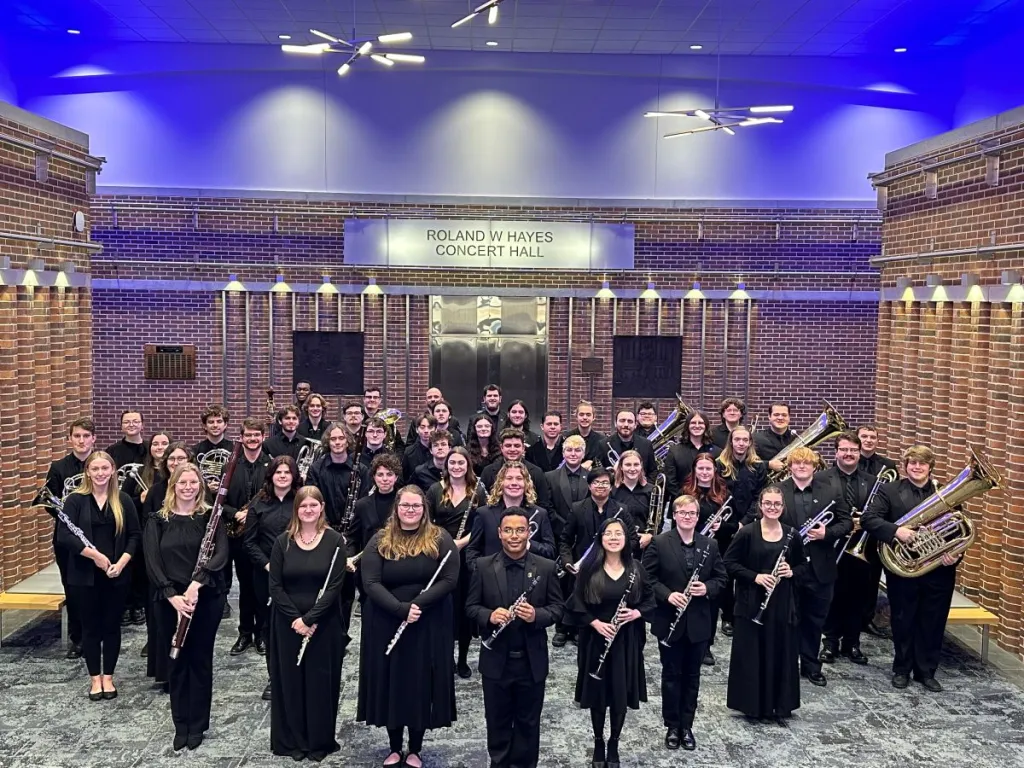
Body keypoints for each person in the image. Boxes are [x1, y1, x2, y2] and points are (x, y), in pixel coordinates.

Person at [357, 486, 459, 768]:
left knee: (419, 682)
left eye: (416, 506)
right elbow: (370, 583)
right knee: (392, 681)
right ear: (397, 508)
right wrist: (400, 609)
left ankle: (415, 748)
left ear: (424, 509)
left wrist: (418, 605)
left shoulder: (440, 538)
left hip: (429, 621)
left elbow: (449, 579)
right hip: (386, 619)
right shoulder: (380, 538)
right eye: (405, 506)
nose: (410, 511)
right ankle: (393, 746)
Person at [466, 507, 564, 768]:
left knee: (528, 725)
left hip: (531, 663)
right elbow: (471, 607)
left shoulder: (545, 567)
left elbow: (558, 608)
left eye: (520, 530)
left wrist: (536, 615)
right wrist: (489, 616)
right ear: (499, 533)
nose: (514, 535)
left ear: (528, 532)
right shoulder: (484, 566)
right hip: (496, 662)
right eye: (508, 530)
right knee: (497, 722)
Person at [861, 445, 958, 693]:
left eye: (922, 463)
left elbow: (959, 528)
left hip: (938, 569)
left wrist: (955, 555)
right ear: (905, 466)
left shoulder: (945, 493)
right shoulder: (890, 490)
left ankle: (926, 671)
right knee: (904, 619)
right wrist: (897, 531)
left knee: (933, 621)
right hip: (903, 568)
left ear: (930, 466)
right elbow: (869, 519)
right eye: (912, 463)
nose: (917, 467)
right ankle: (902, 669)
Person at [144, 463, 228, 751]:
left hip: (204, 599)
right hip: (169, 602)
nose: (188, 487)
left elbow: (220, 556)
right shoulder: (157, 519)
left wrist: (195, 585)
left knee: (200, 662)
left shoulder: (210, 518)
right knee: (176, 664)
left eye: (194, 482)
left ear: (200, 486)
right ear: (173, 486)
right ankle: (181, 725)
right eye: (183, 482)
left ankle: (198, 726)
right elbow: (152, 561)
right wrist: (172, 595)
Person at [567, 517, 655, 768]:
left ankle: (614, 742)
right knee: (597, 694)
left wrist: (636, 614)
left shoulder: (637, 568)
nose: (614, 538)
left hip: (626, 640)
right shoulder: (589, 568)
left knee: (619, 693)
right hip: (596, 639)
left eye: (619, 533)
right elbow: (575, 604)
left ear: (627, 539)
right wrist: (595, 623)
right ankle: (598, 742)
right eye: (609, 533)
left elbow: (649, 601)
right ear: (601, 538)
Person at [642, 495, 727, 751]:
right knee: (670, 675)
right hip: (669, 620)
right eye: (682, 513)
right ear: (675, 515)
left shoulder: (710, 544)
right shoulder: (659, 543)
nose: (687, 517)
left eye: (692, 513)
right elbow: (647, 579)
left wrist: (707, 588)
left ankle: (686, 725)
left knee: (692, 677)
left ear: (697, 517)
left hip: (699, 623)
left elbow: (722, 579)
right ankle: (672, 725)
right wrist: (669, 595)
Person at [268, 486, 346, 762]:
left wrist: (311, 619)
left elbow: (336, 586)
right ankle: (293, 741)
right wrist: (297, 620)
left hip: (323, 624)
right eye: (303, 506)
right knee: (289, 681)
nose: (309, 510)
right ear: (296, 510)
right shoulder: (282, 542)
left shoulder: (336, 541)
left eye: (314, 505)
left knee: (320, 683)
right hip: (287, 623)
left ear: (322, 507)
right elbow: (275, 586)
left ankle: (318, 741)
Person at [764, 446, 851, 687]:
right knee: (786, 619)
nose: (802, 467)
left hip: (820, 569)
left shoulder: (831, 491)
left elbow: (846, 523)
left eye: (807, 463)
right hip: (788, 568)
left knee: (815, 621)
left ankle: (811, 665)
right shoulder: (777, 492)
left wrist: (827, 533)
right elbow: (763, 522)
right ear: (790, 466)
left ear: (815, 467)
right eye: (797, 463)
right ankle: (786, 666)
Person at [58, 450, 141, 701]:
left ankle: (109, 677)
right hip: (84, 576)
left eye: (105, 468)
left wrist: (122, 562)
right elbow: (64, 536)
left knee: (112, 628)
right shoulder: (75, 500)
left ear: (113, 470)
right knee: (91, 629)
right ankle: (95, 678)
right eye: (95, 469)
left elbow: (135, 535)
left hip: (116, 574)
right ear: (88, 472)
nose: (100, 473)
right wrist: (95, 556)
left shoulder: (124, 500)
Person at [724, 485, 807, 725]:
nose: (772, 507)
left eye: (777, 504)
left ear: (783, 507)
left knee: (780, 651)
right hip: (751, 602)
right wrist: (755, 577)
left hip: (781, 603)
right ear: (760, 506)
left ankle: (779, 705)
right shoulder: (747, 533)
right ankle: (752, 704)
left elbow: (803, 566)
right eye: (768, 503)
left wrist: (791, 571)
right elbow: (729, 563)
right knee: (752, 653)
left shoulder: (792, 534)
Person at [35, 416, 95, 658]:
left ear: (93, 439)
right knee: (73, 588)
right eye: (77, 436)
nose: (81, 440)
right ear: (70, 439)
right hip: (67, 538)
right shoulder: (58, 468)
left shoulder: (101, 464)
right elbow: (50, 503)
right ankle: (78, 639)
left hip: (97, 535)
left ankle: (96, 635)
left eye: (86, 436)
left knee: (97, 588)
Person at [245, 455, 301, 700]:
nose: (282, 476)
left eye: (287, 472)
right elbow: (249, 542)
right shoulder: (258, 503)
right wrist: (268, 565)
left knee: (298, 624)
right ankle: (274, 677)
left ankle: (299, 676)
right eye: (278, 472)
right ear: (271, 476)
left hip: (299, 574)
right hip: (266, 575)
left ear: (293, 476)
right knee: (270, 627)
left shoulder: (301, 501)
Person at [142, 441, 196, 688]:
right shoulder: (156, 491)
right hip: (162, 572)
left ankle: (184, 670)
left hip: (188, 572)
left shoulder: (196, 491)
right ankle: (164, 672)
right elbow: (149, 530)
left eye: (181, 458)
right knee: (161, 627)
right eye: (172, 459)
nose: (176, 462)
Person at [426, 447, 483, 679]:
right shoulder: (434, 490)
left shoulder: (477, 490)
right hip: (440, 554)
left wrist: (461, 543)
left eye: (461, 463)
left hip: (467, 554)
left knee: (464, 608)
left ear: (467, 465)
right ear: (446, 465)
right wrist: (446, 544)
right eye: (452, 463)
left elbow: (481, 524)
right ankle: (447, 657)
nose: (456, 467)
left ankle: (462, 659)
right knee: (445, 607)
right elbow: (426, 522)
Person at [223, 418, 272, 656]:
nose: (252, 439)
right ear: (241, 437)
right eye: (248, 435)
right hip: (238, 536)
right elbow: (219, 502)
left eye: (256, 435)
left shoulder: (271, 465)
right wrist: (236, 514)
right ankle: (245, 633)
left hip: (262, 536)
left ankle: (261, 633)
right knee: (244, 586)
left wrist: (252, 515)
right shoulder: (230, 466)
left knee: (261, 587)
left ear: (263, 437)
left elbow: (275, 500)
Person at [682, 453, 736, 665]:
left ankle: (706, 646)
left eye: (708, 469)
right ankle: (686, 639)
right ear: (695, 471)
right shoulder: (685, 493)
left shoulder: (724, 494)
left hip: (716, 552)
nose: (705, 472)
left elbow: (735, 525)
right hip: (688, 550)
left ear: (714, 471)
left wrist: (721, 527)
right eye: (701, 469)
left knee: (711, 602)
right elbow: (674, 518)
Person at [715, 426, 767, 636]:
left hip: (749, 525)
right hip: (725, 526)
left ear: (750, 443)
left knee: (747, 572)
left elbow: (759, 498)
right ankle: (727, 616)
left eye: (745, 440)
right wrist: (732, 525)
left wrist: (744, 523)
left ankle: (744, 613)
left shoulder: (758, 466)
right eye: (737, 439)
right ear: (731, 442)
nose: (741, 443)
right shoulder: (720, 465)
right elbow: (717, 495)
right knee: (727, 574)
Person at [466, 462, 557, 570]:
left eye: (519, 478)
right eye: (509, 478)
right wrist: (483, 574)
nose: (514, 483)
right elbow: (472, 551)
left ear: (526, 483)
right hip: (493, 580)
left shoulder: (540, 514)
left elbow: (551, 551)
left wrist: (528, 544)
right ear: (501, 482)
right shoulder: (484, 513)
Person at [546, 435, 591, 647]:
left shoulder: (591, 478)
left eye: (578, 451)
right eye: (569, 451)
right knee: (561, 584)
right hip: (560, 538)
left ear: (583, 454)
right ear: (563, 453)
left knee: (581, 584)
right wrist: (566, 528)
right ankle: (562, 627)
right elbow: (548, 509)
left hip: (584, 540)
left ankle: (577, 626)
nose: (573, 454)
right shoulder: (550, 477)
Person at [124, 431, 171, 631]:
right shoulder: (140, 472)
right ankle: (137, 606)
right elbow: (123, 501)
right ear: (149, 448)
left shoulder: (172, 473)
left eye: (164, 444)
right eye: (155, 444)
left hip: (168, 531)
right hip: (144, 529)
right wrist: (140, 500)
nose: (159, 447)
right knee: (141, 572)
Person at [479, 428, 554, 513]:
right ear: (501, 448)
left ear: (523, 448)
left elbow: (543, 504)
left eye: (517, 446)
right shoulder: (488, 471)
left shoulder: (537, 472)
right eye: (508, 446)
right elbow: (483, 503)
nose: (512, 449)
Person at [663, 410, 720, 500]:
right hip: (682, 503)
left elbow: (719, 479)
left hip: (710, 502)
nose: (697, 426)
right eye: (693, 422)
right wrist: (684, 499)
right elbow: (670, 481)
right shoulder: (674, 451)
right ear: (687, 426)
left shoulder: (717, 452)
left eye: (700, 423)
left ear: (706, 426)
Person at [610, 449, 654, 550]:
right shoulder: (612, 490)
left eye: (636, 464)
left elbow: (657, 521)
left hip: (644, 544)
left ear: (641, 466)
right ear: (621, 467)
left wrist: (650, 536)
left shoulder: (651, 490)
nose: (632, 468)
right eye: (628, 465)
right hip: (617, 543)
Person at [603, 410, 657, 480]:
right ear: (615, 423)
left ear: (635, 425)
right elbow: (599, 472)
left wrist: (646, 488)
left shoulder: (646, 444)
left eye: (630, 421)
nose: (626, 425)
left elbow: (653, 471)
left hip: (640, 489)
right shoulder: (603, 444)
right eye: (622, 420)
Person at [753, 402, 798, 473]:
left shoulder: (797, 438)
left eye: (784, 415)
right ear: (769, 416)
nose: (780, 418)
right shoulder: (757, 438)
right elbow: (749, 463)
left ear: (789, 417)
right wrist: (768, 464)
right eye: (776, 415)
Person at [566, 400, 606, 467]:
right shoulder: (567, 437)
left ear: (593, 417)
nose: (585, 417)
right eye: (581, 414)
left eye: (588, 415)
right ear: (576, 417)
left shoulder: (602, 440)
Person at [402, 414, 437, 482]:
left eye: (430, 427)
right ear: (417, 430)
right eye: (422, 427)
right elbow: (404, 477)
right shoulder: (409, 452)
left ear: (435, 429)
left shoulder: (441, 450)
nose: (426, 431)